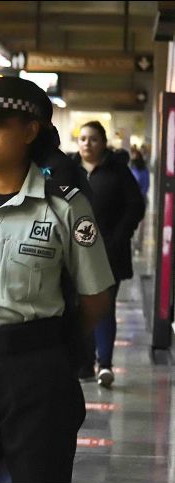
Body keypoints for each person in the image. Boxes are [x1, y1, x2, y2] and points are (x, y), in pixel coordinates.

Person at [0, 76, 114, 482]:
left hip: (36, 370)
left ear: (31, 130)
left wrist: (56, 344)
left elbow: (97, 295)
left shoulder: (65, 205)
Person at [70, 121, 145, 387]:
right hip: (74, 253)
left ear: (103, 143)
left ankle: (105, 363)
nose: (87, 144)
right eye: (82, 139)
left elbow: (135, 205)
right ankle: (84, 363)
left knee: (102, 304)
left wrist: (118, 236)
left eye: (92, 139)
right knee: (79, 305)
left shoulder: (118, 171)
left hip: (109, 252)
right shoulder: (70, 170)